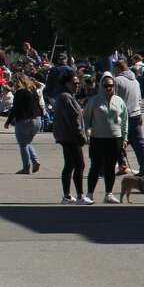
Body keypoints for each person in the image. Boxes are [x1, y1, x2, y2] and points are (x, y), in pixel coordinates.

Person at [83, 72, 128, 204]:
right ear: (101, 86)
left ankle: (109, 194)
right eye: (105, 85)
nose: (108, 88)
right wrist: (87, 135)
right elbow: (86, 119)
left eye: (111, 85)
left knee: (110, 167)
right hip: (97, 138)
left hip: (115, 138)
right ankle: (89, 194)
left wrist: (124, 139)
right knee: (95, 167)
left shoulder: (119, 101)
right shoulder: (94, 101)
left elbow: (125, 121)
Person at [52, 71, 86, 203]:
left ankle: (67, 196)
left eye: (78, 83)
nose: (77, 85)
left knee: (70, 165)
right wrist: (80, 135)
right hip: (71, 137)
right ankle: (80, 196)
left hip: (65, 136)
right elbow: (73, 119)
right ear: (66, 83)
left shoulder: (64, 96)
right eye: (74, 83)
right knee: (79, 165)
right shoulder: (66, 97)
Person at [112, 59, 144, 178]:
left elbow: (113, 99)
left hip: (122, 116)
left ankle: (119, 166)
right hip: (136, 114)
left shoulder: (117, 81)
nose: (112, 71)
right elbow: (139, 99)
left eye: (114, 68)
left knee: (115, 142)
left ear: (118, 68)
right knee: (139, 143)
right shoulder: (135, 81)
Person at [4, 73, 43, 175]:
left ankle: (26, 168)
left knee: (23, 144)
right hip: (37, 120)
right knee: (26, 142)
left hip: (25, 120)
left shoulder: (20, 92)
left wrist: (8, 121)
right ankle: (35, 161)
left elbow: (15, 108)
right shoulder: (33, 90)